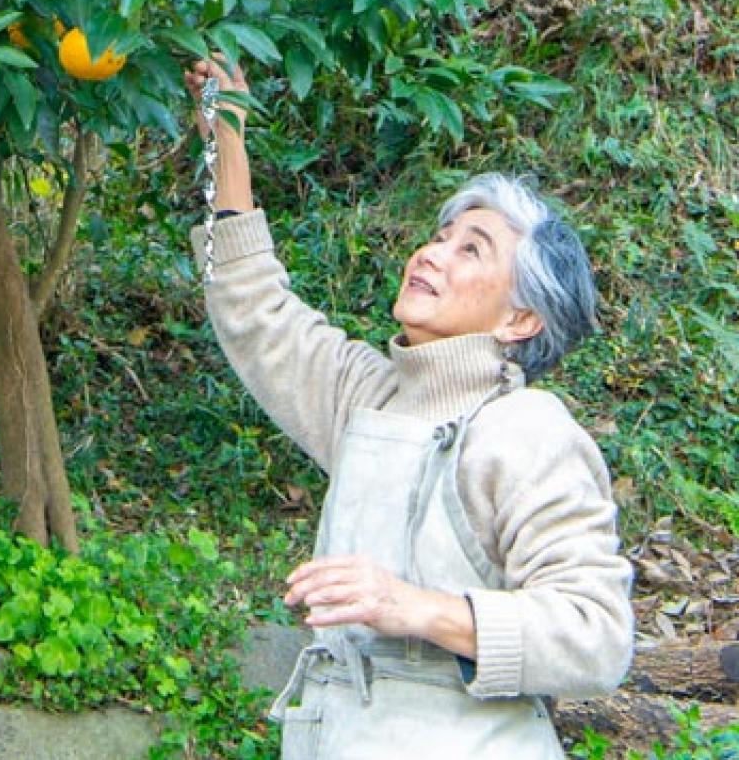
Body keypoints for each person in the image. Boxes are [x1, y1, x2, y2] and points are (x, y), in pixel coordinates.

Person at [184, 54, 635, 760]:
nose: (431, 254)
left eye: (470, 250)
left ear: (519, 320)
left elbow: (594, 635)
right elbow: (251, 304)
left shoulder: (524, 430)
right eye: (439, 237)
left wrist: (411, 607)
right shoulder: (368, 395)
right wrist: (228, 134)